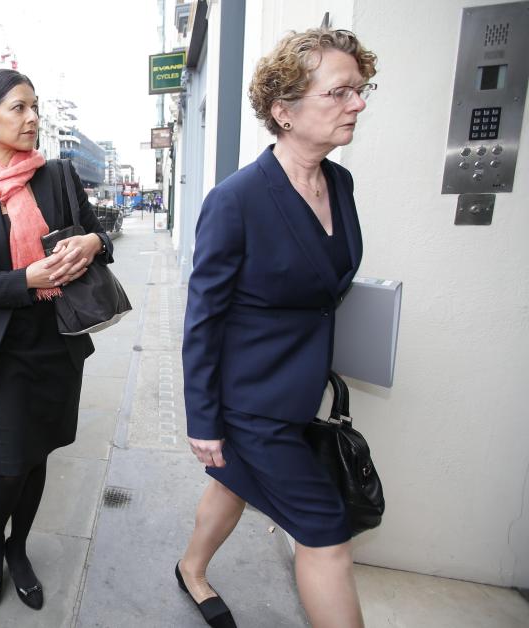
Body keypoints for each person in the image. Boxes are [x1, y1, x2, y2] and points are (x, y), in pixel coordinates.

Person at [179, 28, 376, 627]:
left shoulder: (338, 183)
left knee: (232, 487)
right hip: (251, 404)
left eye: (362, 90)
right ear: (283, 111)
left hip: (301, 390)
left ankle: (191, 569)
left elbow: (323, 288)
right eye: (340, 92)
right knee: (326, 535)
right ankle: (192, 570)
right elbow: (203, 317)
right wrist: (203, 420)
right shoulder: (235, 200)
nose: (358, 104)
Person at [0, 69, 114, 611]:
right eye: (18, 108)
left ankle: (20, 547)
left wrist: (91, 240)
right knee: (9, 463)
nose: (32, 118)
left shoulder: (58, 174)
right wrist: (25, 280)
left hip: (57, 342)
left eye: (35, 106)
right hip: (2, 351)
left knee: (38, 457)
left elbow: (98, 238)